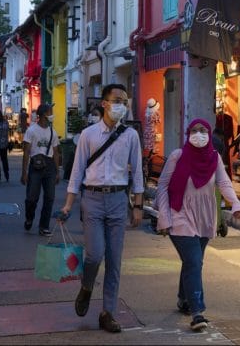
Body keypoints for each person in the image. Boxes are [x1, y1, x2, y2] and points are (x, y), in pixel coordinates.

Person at [61, 84, 144, 333]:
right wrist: (67, 205)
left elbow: (137, 172)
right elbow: (76, 172)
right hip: (93, 200)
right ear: (105, 104)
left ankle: (108, 313)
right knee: (95, 254)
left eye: (125, 100)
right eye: (117, 100)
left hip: (119, 200)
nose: (122, 104)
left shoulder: (131, 136)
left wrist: (138, 205)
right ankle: (86, 287)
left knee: (114, 261)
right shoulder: (88, 135)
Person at [155, 118, 240, 331]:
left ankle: (183, 298)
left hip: (205, 217)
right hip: (180, 215)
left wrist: (236, 203)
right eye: (194, 130)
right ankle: (197, 312)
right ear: (188, 134)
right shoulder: (178, 156)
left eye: (203, 130)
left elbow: (223, 183)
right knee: (194, 261)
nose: (199, 134)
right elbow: (162, 186)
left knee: (193, 262)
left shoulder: (214, 158)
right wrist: (164, 217)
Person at [22, 104, 61, 237]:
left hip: (49, 166)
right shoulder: (31, 131)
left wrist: (57, 171)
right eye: (51, 112)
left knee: (49, 197)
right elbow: (26, 152)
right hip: (35, 165)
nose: (52, 114)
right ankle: (29, 217)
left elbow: (56, 153)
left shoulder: (52, 132)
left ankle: (44, 226)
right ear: (44, 114)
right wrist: (24, 172)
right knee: (32, 197)